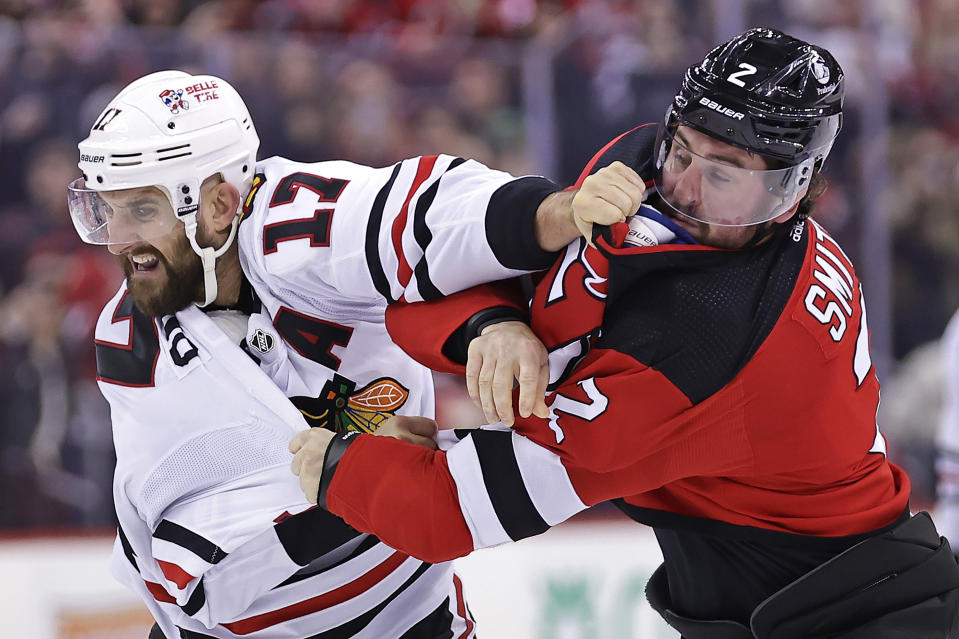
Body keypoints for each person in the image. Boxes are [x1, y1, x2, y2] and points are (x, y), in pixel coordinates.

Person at [288, 28, 959, 638]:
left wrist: (329, 463)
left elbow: (446, 509)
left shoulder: (714, 343)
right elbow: (432, 279)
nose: (684, 189)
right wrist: (487, 325)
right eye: (682, 149)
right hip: (812, 596)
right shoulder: (641, 169)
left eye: (723, 174)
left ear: (791, 191)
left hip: (858, 617)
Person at [67, 70, 631, 638]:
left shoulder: (289, 224)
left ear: (219, 205)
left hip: (406, 612)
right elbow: (200, 568)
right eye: (106, 210)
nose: (115, 239)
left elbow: (422, 214)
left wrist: (551, 215)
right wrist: (360, 473)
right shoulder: (129, 340)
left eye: (141, 211)